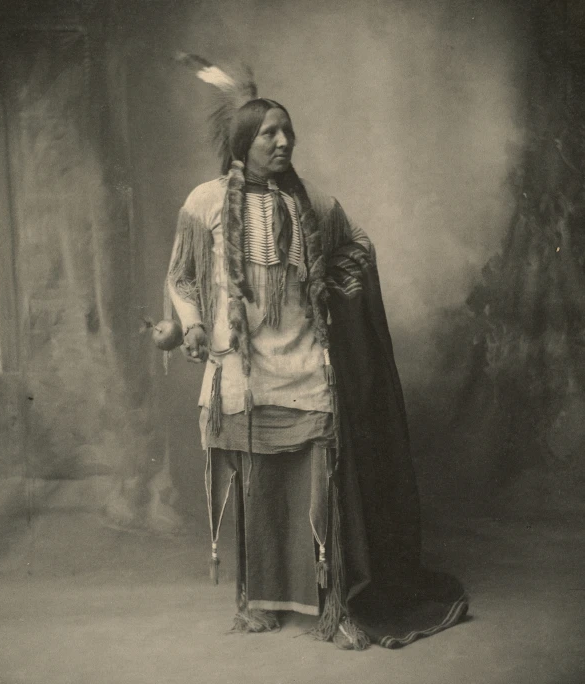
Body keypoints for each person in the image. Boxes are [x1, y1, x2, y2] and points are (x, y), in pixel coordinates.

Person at [166, 56, 468, 649]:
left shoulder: (315, 204)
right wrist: (193, 324)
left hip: (307, 366)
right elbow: (179, 278)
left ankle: (334, 607)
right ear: (242, 142)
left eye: (287, 132)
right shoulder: (204, 202)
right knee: (256, 486)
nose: (283, 141)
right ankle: (258, 604)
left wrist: (335, 291)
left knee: (320, 487)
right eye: (269, 133)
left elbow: (359, 248)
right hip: (241, 374)